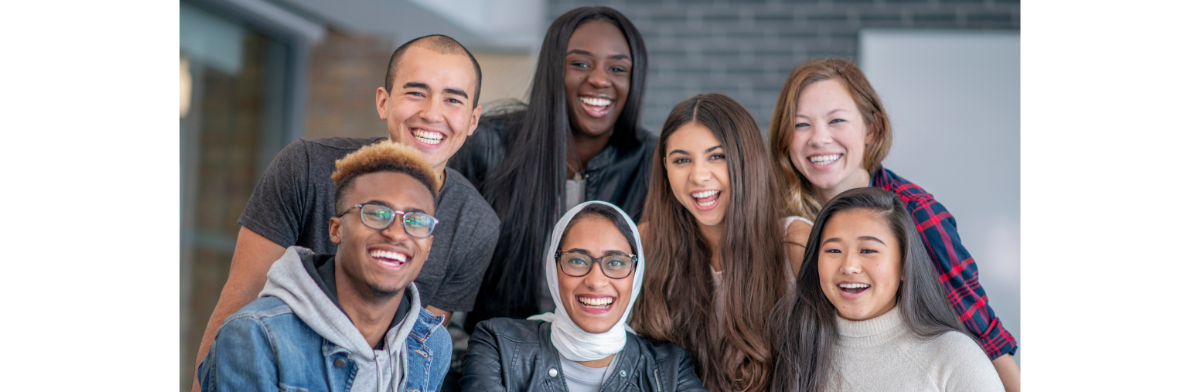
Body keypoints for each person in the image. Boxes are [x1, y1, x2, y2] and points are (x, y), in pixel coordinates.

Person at [191, 34, 501, 391]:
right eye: (416, 92)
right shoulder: (305, 167)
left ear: (473, 119)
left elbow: (416, 347)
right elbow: (238, 304)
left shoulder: (476, 223)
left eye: (453, 99)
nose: (432, 113)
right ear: (383, 102)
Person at [766, 58, 1021, 390]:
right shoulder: (780, 219)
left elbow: (984, 334)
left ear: (871, 128)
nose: (819, 138)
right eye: (802, 125)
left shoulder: (915, 213)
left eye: (837, 120)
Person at [450, 6, 656, 327]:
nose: (600, 79)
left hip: (605, 363)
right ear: (552, 70)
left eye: (618, 69)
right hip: (498, 357)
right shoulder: (487, 146)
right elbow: (444, 262)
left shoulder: (653, 163)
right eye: (580, 64)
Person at [199, 141, 453, 391]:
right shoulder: (254, 337)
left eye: (417, 220)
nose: (397, 234)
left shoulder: (431, 344)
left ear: (429, 245)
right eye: (376, 213)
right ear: (336, 230)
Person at [630, 93, 811, 392]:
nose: (699, 175)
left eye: (717, 156)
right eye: (681, 160)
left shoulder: (794, 243)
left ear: (746, 159)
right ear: (665, 166)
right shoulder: (646, 241)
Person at [771, 187, 1004, 391]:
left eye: (868, 250)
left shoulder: (955, 357)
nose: (849, 266)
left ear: (904, 265)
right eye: (833, 251)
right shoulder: (794, 351)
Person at [462, 201, 705, 392]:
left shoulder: (669, 367)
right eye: (577, 260)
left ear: (636, 273)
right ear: (553, 268)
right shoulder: (498, 344)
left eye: (616, 262)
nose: (596, 281)